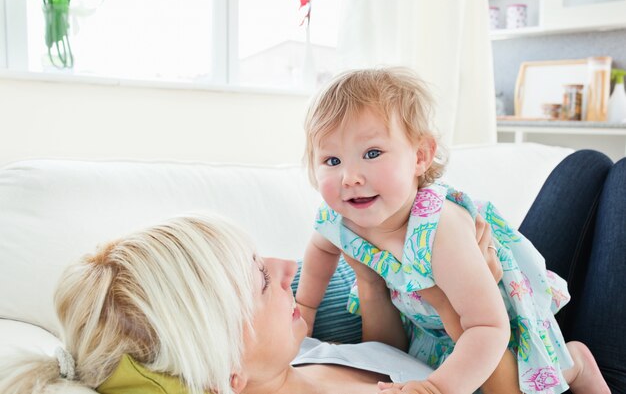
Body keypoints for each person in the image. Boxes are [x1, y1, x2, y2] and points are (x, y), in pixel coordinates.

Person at [0, 150, 623, 394]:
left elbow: (391, 350)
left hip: (521, 321)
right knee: (611, 183)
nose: (287, 267)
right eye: (260, 280)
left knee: (588, 172)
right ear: (227, 367)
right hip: (533, 368)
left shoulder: (298, 355)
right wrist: (467, 291)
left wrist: (375, 281)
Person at [294, 68, 611, 394]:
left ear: (420, 156)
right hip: (430, 322)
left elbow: (489, 325)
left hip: (495, 314)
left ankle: (575, 364)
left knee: (519, 383)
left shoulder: (439, 228)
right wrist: (305, 310)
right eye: (332, 161)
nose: (350, 177)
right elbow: (321, 249)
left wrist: (435, 389)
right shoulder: (338, 218)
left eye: (372, 154)